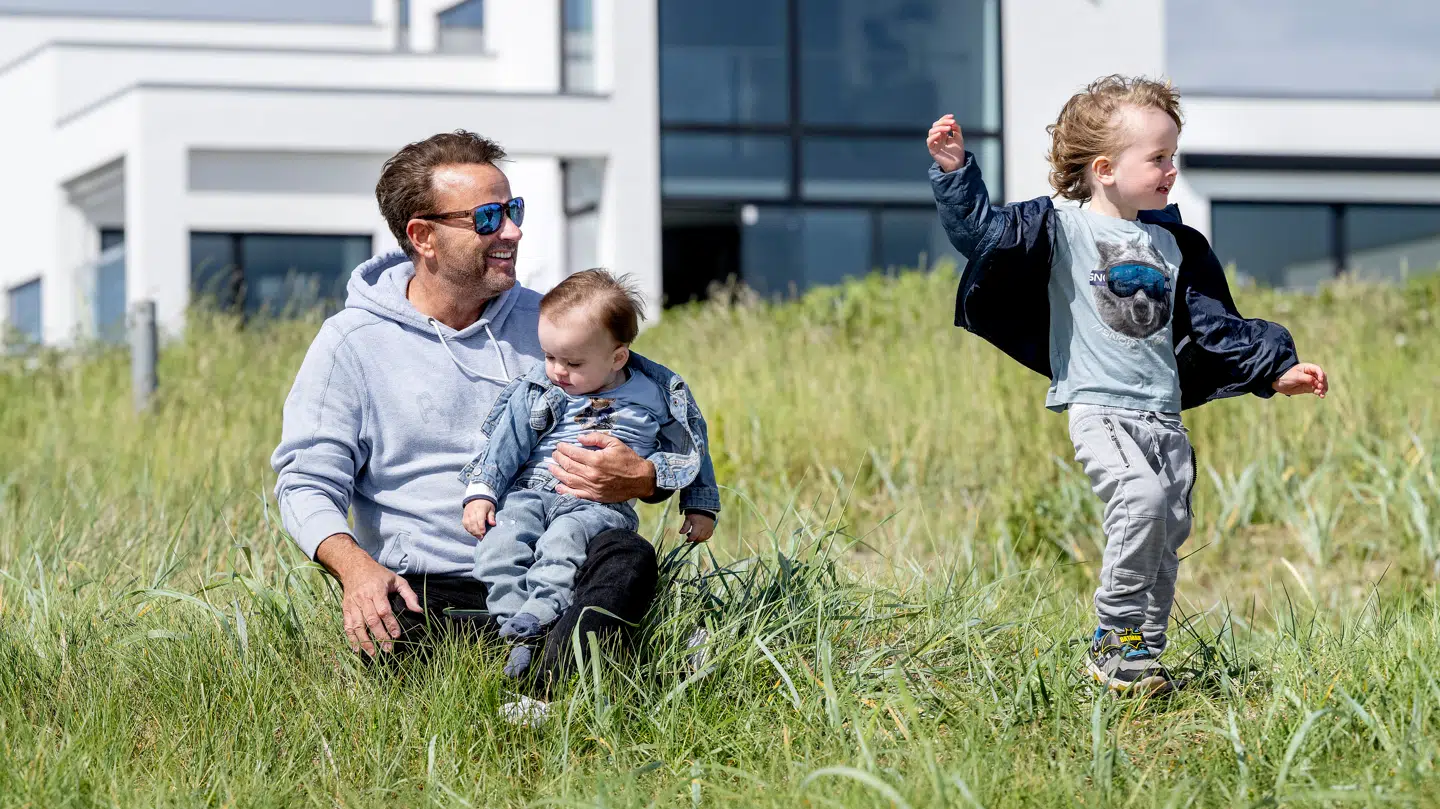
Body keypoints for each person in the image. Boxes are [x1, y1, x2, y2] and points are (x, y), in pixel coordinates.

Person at [926, 75, 1329, 696]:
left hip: (1164, 419)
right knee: (1138, 504)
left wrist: (1275, 371)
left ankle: (1140, 658)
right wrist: (956, 175)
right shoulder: (1060, 228)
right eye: (1159, 158)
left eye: (1175, 156)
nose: (1171, 170)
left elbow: (1214, 325)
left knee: (1168, 530)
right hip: (1100, 408)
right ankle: (1112, 642)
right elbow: (983, 235)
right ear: (1107, 168)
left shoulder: (1174, 245)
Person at [271, 131, 668, 687]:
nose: (512, 230)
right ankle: (563, 669)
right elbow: (305, 483)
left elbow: (655, 423)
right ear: (423, 236)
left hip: (560, 562)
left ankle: (542, 688)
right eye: (487, 218)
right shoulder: (350, 344)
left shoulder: (557, 323)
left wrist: (646, 479)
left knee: (627, 557)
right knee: (393, 632)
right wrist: (356, 569)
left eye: (512, 209)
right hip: (433, 583)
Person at [461, 269, 719, 679]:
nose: (558, 371)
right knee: (499, 544)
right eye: (549, 357)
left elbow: (692, 447)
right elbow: (507, 442)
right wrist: (483, 491)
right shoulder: (542, 389)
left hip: (596, 506)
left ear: (617, 357)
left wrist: (700, 506)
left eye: (573, 362)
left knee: (561, 546)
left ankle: (543, 614)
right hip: (532, 490)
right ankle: (514, 628)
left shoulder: (657, 394)